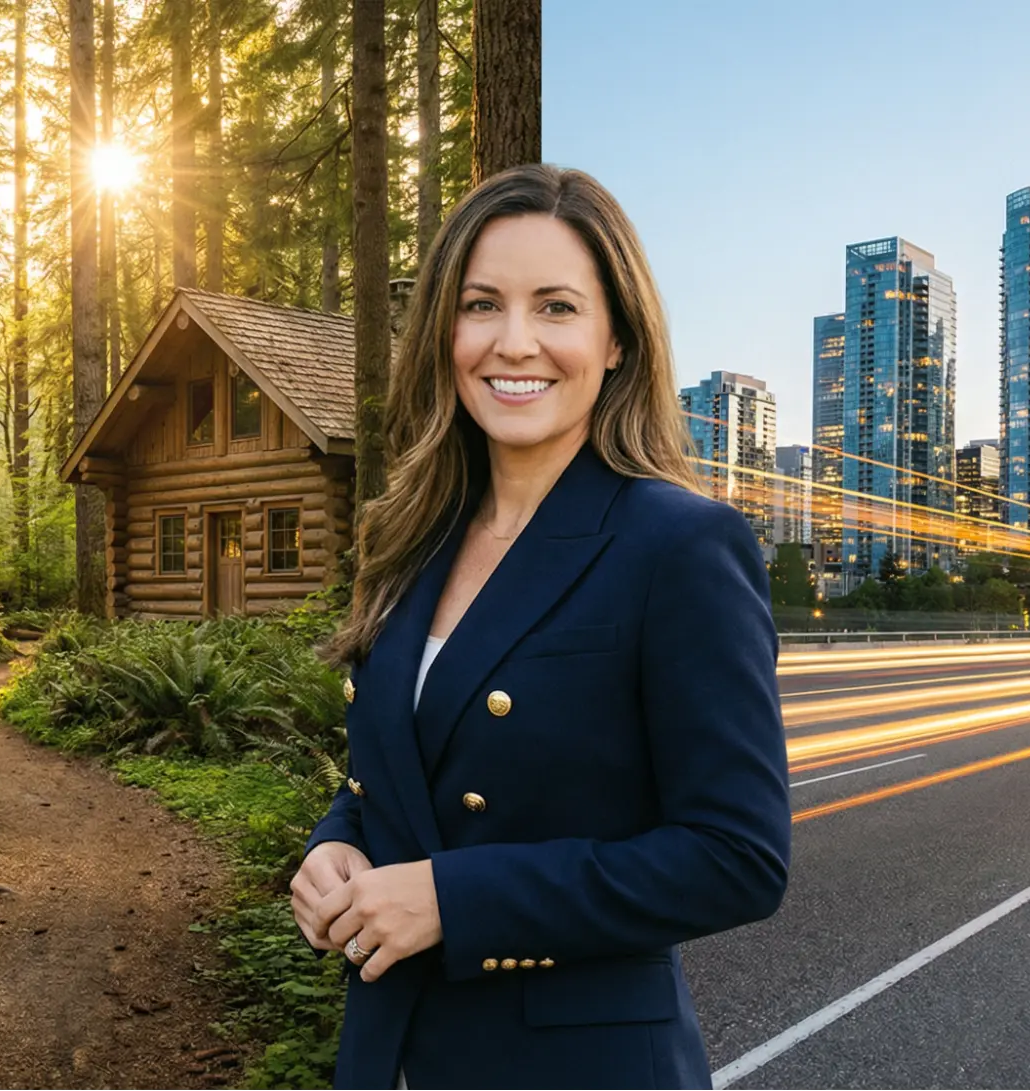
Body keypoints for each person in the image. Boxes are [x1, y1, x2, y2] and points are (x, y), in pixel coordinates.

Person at [291, 163, 791, 1091]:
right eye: (481, 305)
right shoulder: (406, 538)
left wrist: (454, 899)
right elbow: (399, 776)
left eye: (556, 307)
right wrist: (332, 846)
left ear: (616, 342)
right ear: (445, 330)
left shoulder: (681, 545)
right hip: (389, 1055)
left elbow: (738, 857)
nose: (512, 343)